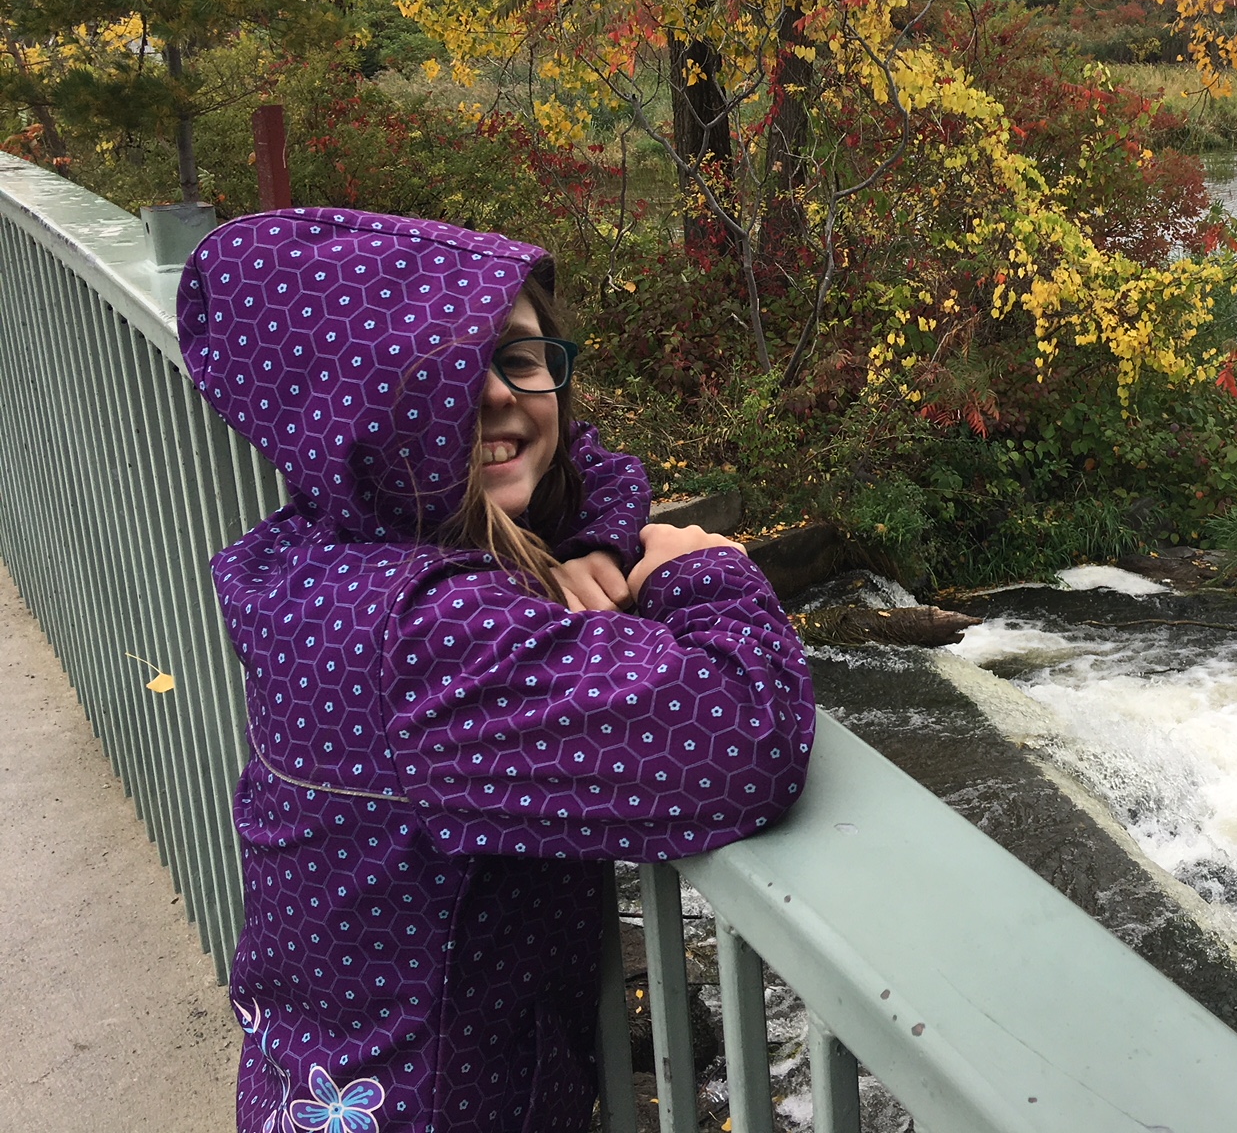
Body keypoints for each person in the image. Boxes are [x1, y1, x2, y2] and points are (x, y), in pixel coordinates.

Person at [177, 207, 816, 1133]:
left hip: (318, 1083)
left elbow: (587, 460)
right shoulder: (430, 633)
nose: (497, 395)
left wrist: (591, 541)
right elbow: (741, 734)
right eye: (437, 372)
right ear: (349, 405)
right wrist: (699, 567)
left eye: (520, 357)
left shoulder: (323, 540)